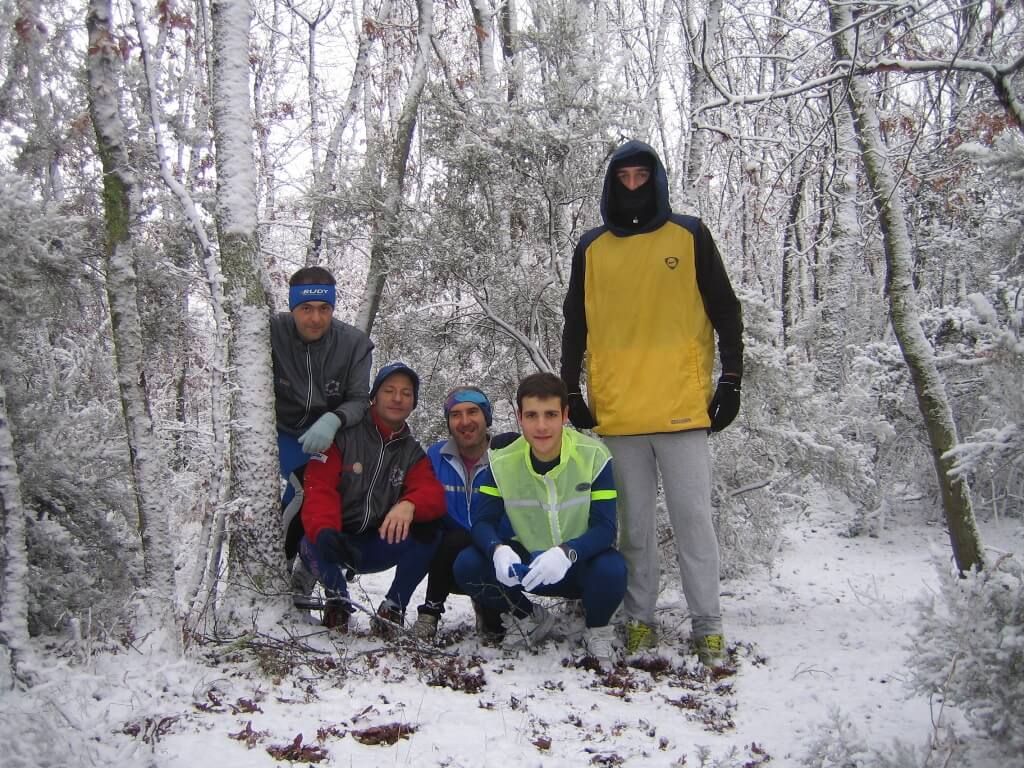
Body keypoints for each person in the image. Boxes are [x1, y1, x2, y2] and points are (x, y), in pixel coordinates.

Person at [560, 139, 743, 668]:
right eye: (625, 179)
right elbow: (577, 324)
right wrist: (572, 390)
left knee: (693, 522)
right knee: (632, 528)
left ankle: (707, 625)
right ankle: (639, 620)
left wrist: (730, 379)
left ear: (657, 180)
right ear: (612, 184)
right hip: (619, 414)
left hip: (684, 409)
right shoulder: (592, 248)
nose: (634, 186)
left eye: (643, 177)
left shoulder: (688, 235)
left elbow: (726, 311)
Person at [453, 372, 627, 667]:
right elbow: (482, 522)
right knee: (467, 563)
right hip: (528, 567)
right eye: (532, 415)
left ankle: (598, 630)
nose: (542, 426)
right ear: (520, 417)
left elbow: (605, 528)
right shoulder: (502, 460)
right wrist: (498, 550)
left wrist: (567, 552)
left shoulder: (594, 456)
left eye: (550, 414)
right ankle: (528, 617)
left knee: (613, 568)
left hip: (578, 565)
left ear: (565, 415)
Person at [299, 362, 446, 633]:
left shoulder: (412, 452)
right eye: (389, 390)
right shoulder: (342, 437)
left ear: (413, 403)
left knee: (432, 531)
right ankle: (337, 600)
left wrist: (409, 504)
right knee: (310, 539)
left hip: (378, 543)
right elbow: (319, 488)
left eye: (406, 393)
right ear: (374, 396)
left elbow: (432, 492)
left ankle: (393, 606)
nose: (397, 398)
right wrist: (326, 531)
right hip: (337, 541)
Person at [271, 266, 374, 598]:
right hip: (284, 431)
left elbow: (360, 399)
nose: (315, 318)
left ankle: (307, 573)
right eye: (306, 309)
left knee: (329, 495)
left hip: (332, 435)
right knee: (301, 489)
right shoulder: (271, 332)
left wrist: (334, 419)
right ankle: (279, 567)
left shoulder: (354, 344)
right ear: (293, 308)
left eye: (324, 309)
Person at [408, 387, 517, 639]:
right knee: (449, 537)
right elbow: (419, 492)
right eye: (456, 415)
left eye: (473, 412)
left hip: (497, 555)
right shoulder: (437, 456)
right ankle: (430, 612)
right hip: (448, 560)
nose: (465, 421)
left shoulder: (507, 457)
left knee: (495, 630)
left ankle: (489, 608)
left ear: (486, 417)